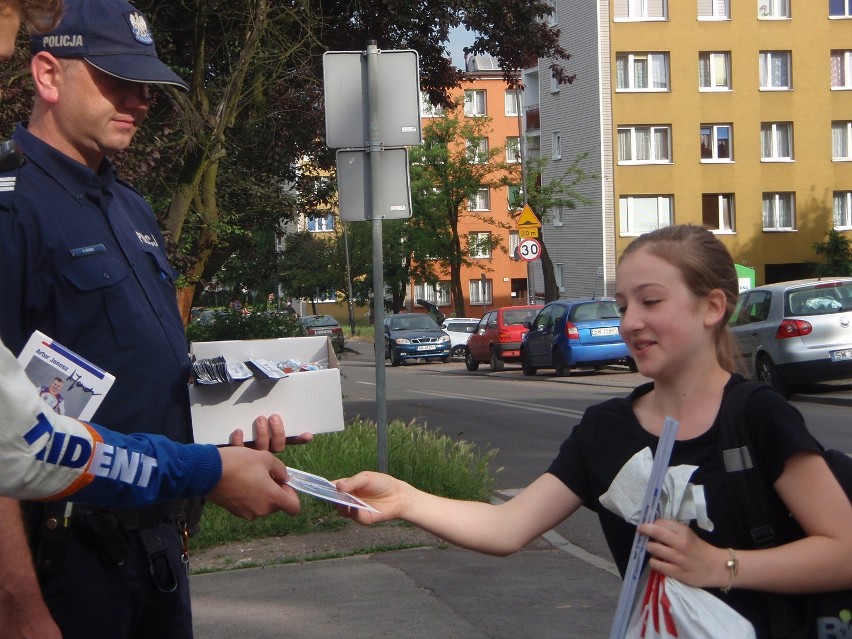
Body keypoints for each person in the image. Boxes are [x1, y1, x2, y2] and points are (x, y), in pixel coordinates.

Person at [336, 224, 852, 637]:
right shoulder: (606, 431)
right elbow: (507, 526)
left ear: (712, 308)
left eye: (651, 302)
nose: (629, 322)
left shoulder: (757, 415)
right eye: (624, 306)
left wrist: (721, 565)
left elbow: (842, 550)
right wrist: (405, 500)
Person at [0, 0, 296, 636]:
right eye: (117, 80)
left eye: (148, 86)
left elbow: (147, 376)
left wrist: (232, 439)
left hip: (158, 549)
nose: (139, 99)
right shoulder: (12, 209)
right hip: (61, 564)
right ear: (48, 76)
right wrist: (16, 606)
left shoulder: (130, 208)